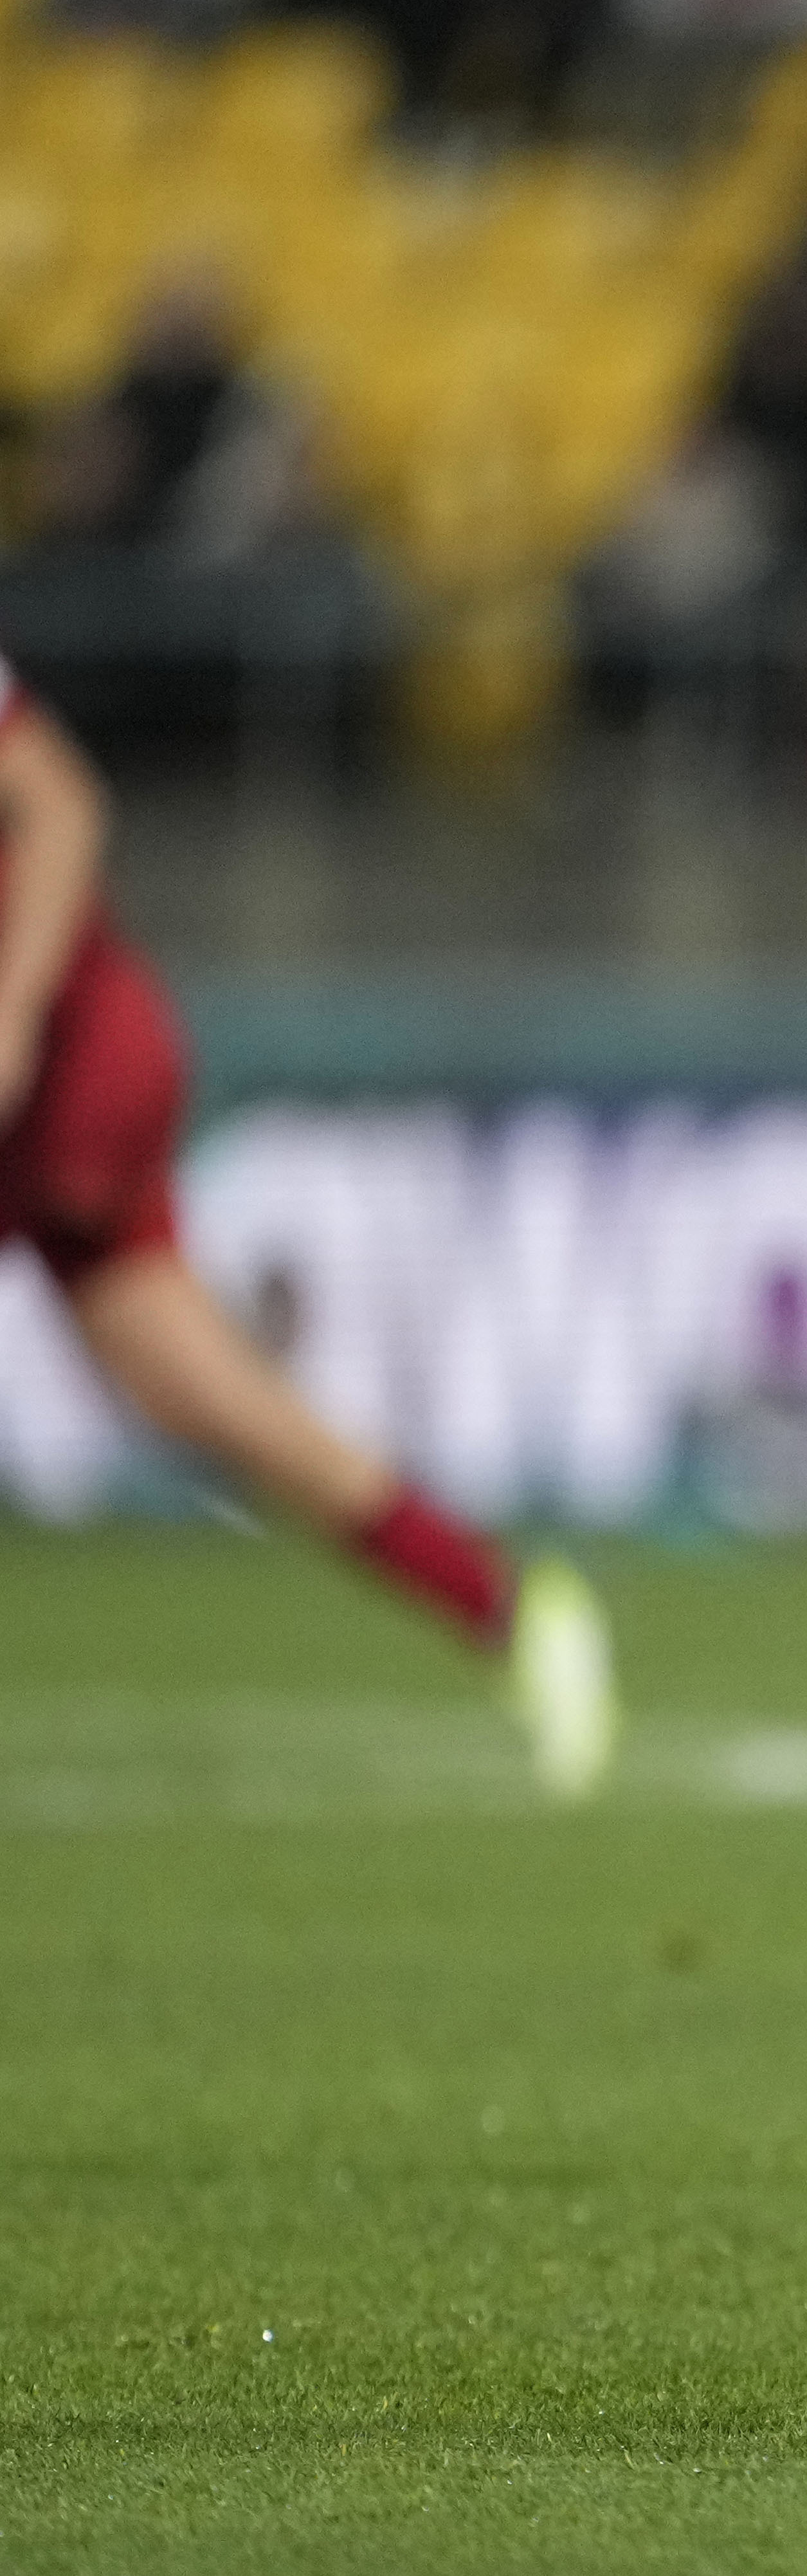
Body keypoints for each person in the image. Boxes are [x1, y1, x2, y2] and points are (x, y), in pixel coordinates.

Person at [0, 654, 617, 1790]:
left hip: (65, 1073)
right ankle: (512, 1607)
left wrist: (17, 1008)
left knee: (201, 1388)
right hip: (71, 1060)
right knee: (206, 1396)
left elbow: (62, 799)